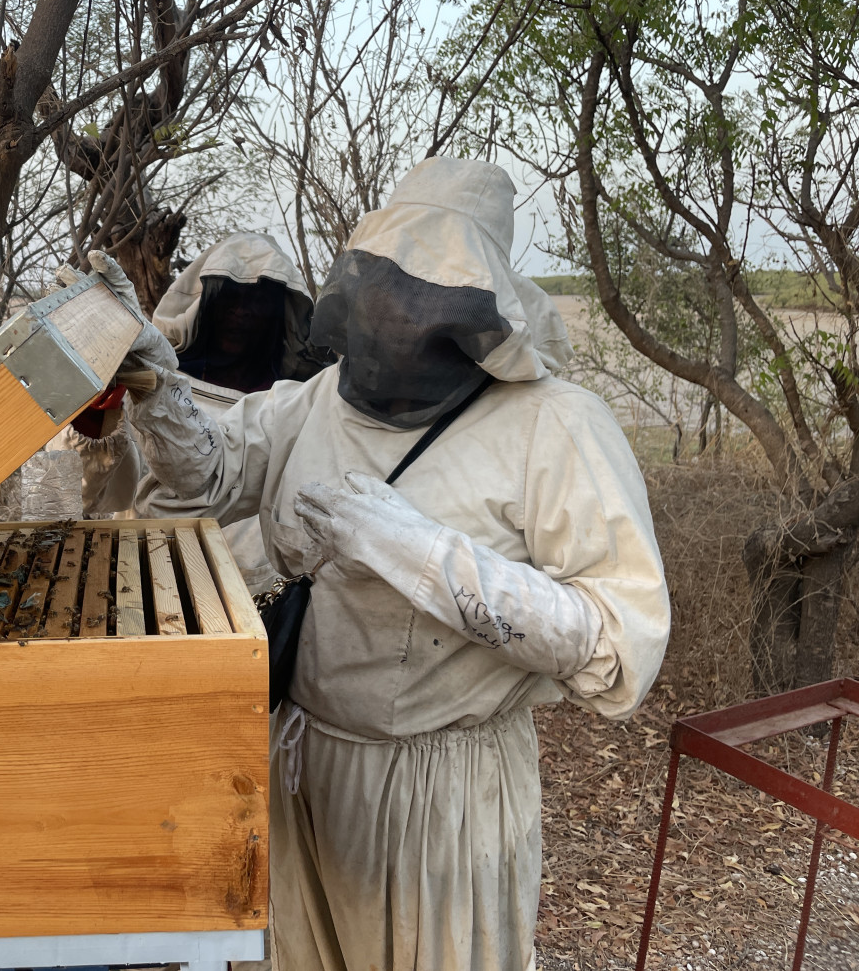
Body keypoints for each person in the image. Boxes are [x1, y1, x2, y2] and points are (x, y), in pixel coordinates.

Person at [92, 157, 670, 970]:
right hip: (304, 768)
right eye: (389, 285)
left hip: (447, 798)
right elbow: (210, 477)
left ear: (477, 308)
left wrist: (419, 551)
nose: (399, 312)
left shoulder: (558, 426)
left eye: (428, 292)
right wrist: (158, 383)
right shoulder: (318, 399)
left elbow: (619, 649)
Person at [54, 233, 328, 591]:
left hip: (250, 597)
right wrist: (94, 418)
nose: (241, 310)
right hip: (136, 579)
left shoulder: (293, 405)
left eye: (257, 299)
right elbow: (75, 494)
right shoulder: (150, 379)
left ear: (281, 313)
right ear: (203, 302)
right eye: (230, 295)